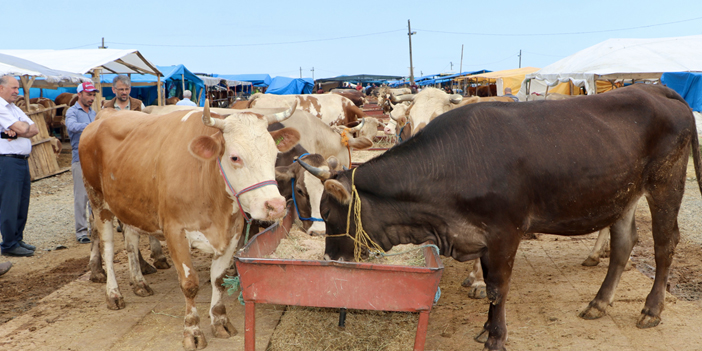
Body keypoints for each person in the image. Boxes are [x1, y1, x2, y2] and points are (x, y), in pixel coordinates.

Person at [0, 75, 39, 257]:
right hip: (8, 160)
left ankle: (17, 238)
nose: (17, 91)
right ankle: (9, 244)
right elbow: (25, 129)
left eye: (17, 88)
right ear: (1, 88)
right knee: (10, 202)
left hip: (21, 160)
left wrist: (15, 133)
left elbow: (35, 128)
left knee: (22, 202)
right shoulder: (0, 106)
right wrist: (21, 130)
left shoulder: (13, 108)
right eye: (14, 88)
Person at [65, 81, 99, 244]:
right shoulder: (72, 111)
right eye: (88, 94)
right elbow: (71, 126)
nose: (91, 98)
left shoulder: (94, 113)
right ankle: (81, 231)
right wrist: (92, 126)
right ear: (79, 94)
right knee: (81, 196)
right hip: (79, 158)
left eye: (93, 95)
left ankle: (96, 227)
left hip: (95, 159)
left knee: (96, 194)